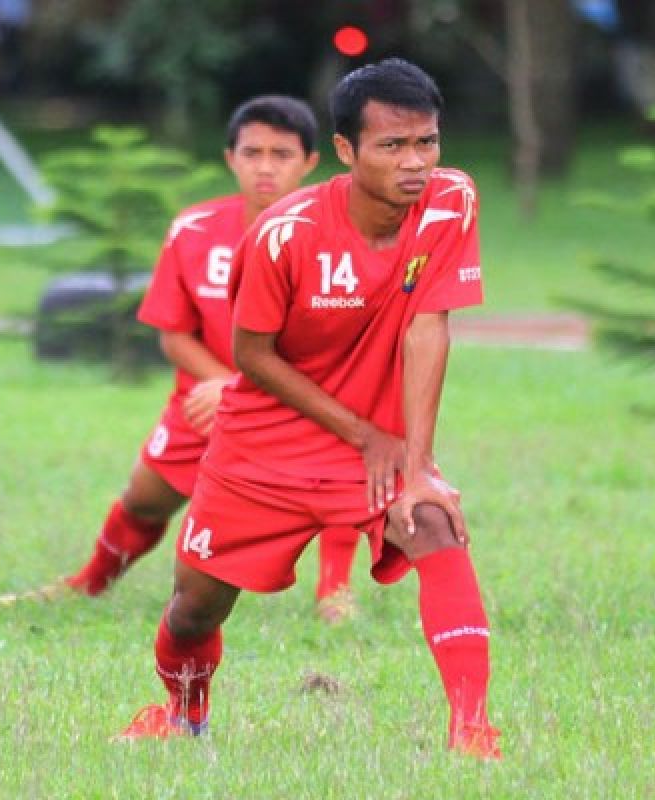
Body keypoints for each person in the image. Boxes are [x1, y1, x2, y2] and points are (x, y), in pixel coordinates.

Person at [115, 58, 500, 759]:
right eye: (393, 146)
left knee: (436, 525)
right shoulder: (284, 234)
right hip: (262, 444)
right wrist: (365, 433)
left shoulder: (453, 201)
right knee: (196, 605)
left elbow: (428, 325)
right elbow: (254, 356)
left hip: (373, 447)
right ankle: (181, 710)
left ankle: (472, 732)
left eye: (427, 142)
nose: (415, 163)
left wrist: (414, 464)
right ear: (347, 152)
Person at [0, 96, 365, 623]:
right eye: (252, 151)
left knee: (333, 481)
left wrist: (248, 393)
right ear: (229, 158)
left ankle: (335, 592)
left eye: (281, 154)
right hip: (205, 402)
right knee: (144, 497)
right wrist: (230, 389)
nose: (265, 166)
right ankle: (87, 583)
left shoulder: (338, 236)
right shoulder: (194, 229)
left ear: (309, 163)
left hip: (303, 401)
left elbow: (342, 348)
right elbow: (174, 336)